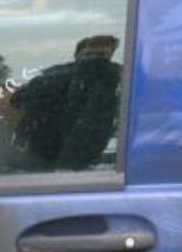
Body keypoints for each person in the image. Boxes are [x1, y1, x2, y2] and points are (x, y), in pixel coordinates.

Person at [10, 34, 122, 170]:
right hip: (50, 157)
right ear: (77, 56)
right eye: (89, 55)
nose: (95, 61)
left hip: (77, 161)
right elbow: (17, 99)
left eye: (101, 55)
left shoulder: (116, 80)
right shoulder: (54, 77)